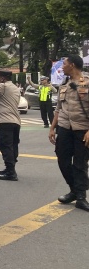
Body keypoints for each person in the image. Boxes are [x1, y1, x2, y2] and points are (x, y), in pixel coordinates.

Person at [48, 55, 89, 212]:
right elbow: (58, 108)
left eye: (64, 64)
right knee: (62, 159)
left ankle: (80, 197)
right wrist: (52, 128)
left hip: (82, 128)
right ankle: (74, 189)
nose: (62, 67)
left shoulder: (87, 82)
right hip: (64, 128)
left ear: (72, 65)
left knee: (80, 163)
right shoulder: (63, 84)